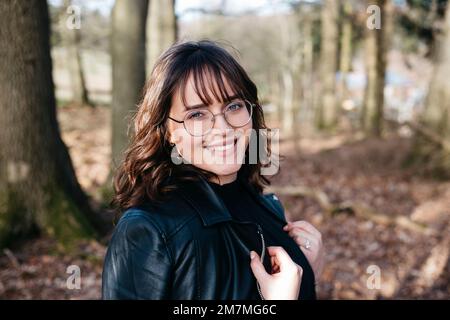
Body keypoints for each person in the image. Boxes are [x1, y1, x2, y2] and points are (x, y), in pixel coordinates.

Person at [102, 40, 324, 300]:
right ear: (168, 131)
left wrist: (309, 274)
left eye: (233, 106)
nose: (223, 128)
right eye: (197, 115)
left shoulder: (269, 209)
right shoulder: (147, 231)